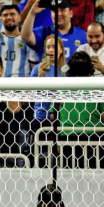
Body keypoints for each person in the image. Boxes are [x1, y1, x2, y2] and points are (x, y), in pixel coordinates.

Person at [55, 51, 104, 168]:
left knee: (67, 179)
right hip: (94, 141)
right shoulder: (98, 88)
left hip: (66, 140)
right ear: (91, 69)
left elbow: (54, 116)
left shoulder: (61, 88)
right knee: (94, 179)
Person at [29, 34, 66, 167]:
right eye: (48, 47)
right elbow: (31, 94)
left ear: (61, 49)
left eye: (54, 47)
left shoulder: (66, 69)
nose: (50, 50)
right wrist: (40, 76)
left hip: (61, 119)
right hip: (41, 118)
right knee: (40, 157)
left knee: (59, 159)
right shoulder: (37, 68)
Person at [0, 3, 35, 77]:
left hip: (21, 87)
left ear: (19, 18)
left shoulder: (27, 40)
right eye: (5, 15)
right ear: (1, 20)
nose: (9, 17)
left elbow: (33, 66)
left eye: (12, 14)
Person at [21, 0, 87, 63]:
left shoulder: (82, 35)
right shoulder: (44, 32)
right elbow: (25, 36)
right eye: (55, 11)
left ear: (71, 13)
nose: (59, 14)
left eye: (62, 10)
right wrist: (32, 13)